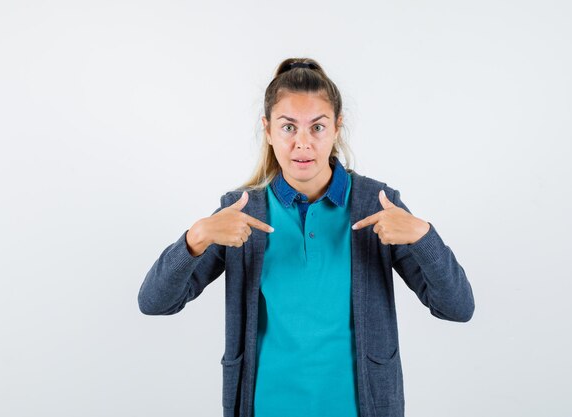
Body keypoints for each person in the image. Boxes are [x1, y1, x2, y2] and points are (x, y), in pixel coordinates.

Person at [138, 57, 475, 417]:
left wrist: (423, 237)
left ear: (336, 128)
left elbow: (457, 308)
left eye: (317, 127)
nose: (303, 143)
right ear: (267, 130)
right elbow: (154, 302)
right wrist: (197, 237)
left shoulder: (376, 204)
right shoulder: (240, 210)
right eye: (288, 128)